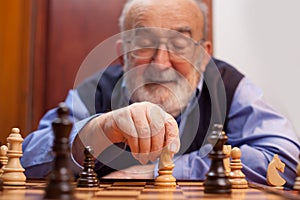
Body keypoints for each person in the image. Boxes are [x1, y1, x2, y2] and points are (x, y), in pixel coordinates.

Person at [21, 0, 300, 189]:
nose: (161, 62)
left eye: (179, 44)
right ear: (122, 55)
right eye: (143, 44)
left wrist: (164, 170)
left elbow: (283, 160)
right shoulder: (93, 90)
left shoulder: (231, 87)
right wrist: (97, 130)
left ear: (204, 54)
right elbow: (27, 160)